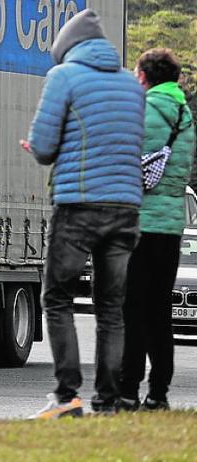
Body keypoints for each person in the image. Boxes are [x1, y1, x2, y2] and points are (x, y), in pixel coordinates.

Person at [22, 9, 144, 418]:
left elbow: (44, 147)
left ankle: (67, 396)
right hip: (126, 208)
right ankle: (108, 401)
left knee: (57, 297)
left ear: (67, 48)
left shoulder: (63, 77)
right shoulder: (131, 85)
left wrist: (41, 149)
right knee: (111, 307)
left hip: (79, 206)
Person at [119, 48, 194, 411]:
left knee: (132, 308)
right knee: (160, 311)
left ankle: (128, 389)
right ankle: (159, 392)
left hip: (139, 224)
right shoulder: (185, 115)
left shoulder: (144, 110)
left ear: (144, 77)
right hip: (171, 226)